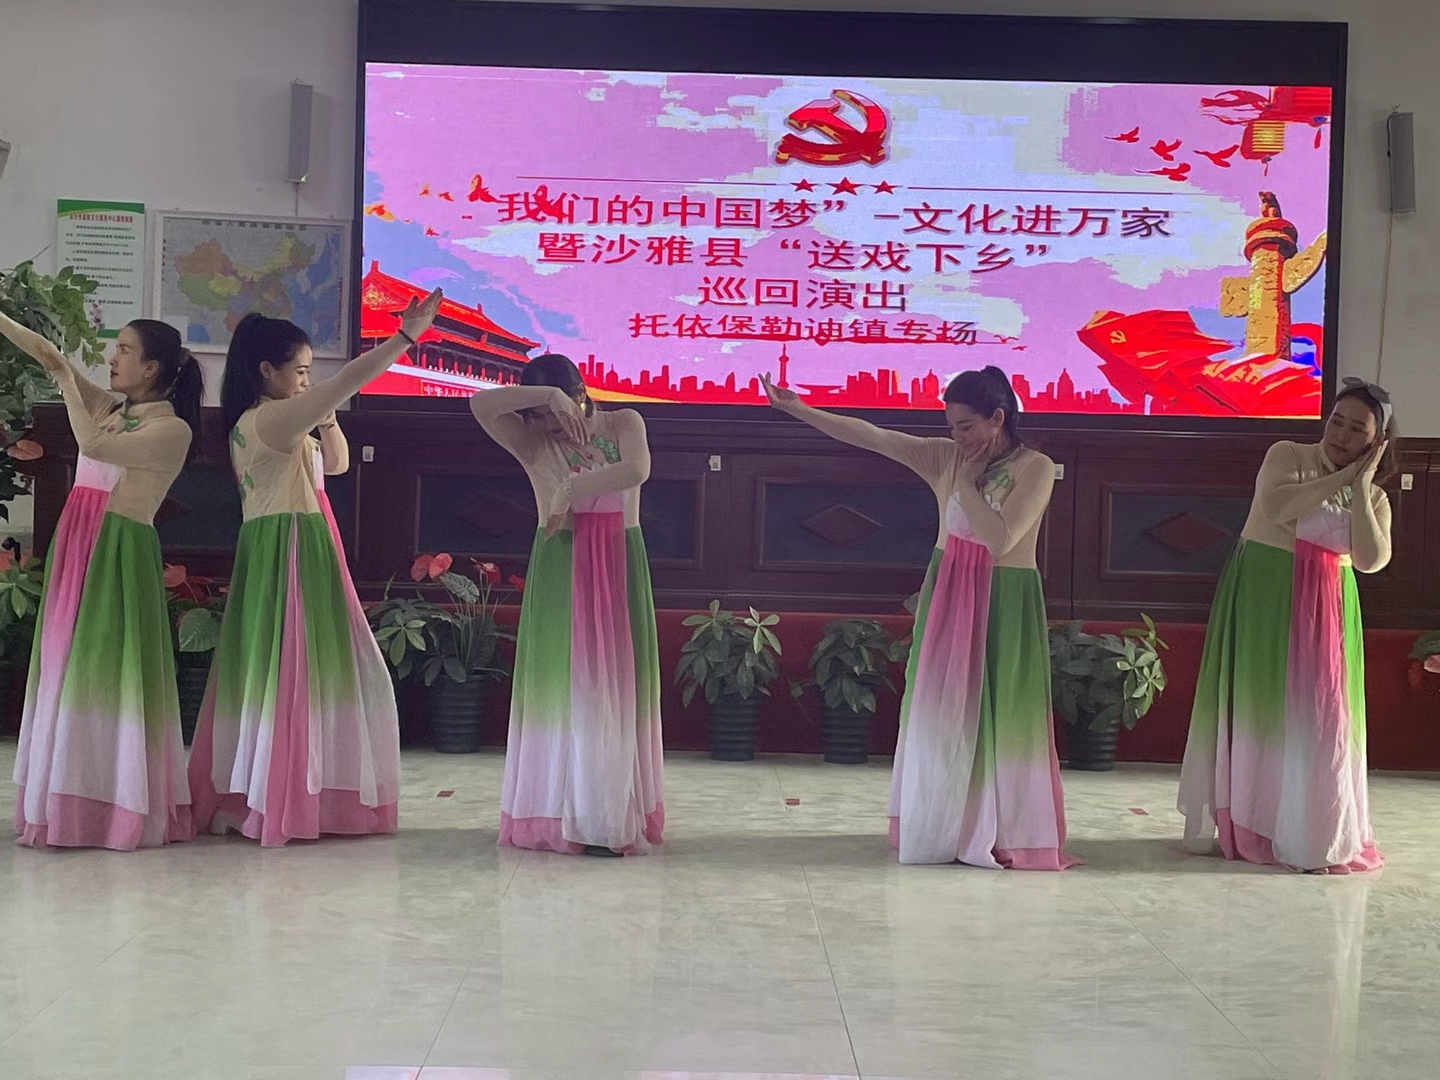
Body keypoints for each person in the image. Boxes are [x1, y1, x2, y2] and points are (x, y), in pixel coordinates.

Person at [765, 366, 1072, 869]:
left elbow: (1000, 540)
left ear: (998, 419)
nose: (958, 437)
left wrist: (967, 485)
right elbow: (873, 436)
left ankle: (1006, 831)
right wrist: (800, 409)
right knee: (942, 708)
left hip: (1004, 595)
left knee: (1004, 710)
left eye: (966, 426)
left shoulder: (1034, 467)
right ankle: (943, 823)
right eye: (951, 426)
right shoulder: (945, 457)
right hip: (949, 589)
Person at [187, 289, 441, 846]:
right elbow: (347, 381)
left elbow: (339, 464)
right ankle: (285, 798)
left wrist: (325, 420)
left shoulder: (271, 422)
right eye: (300, 371)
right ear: (267, 370)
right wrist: (405, 336)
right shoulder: (271, 419)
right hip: (291, 545)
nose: (307, 381)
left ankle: (284, 793)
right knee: (294, 673)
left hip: (287, 542)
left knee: (285, 671)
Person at [0, 313, 203, 849]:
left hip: (118, 548)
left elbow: (93, 447)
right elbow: (50, 356)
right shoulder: (115, 410)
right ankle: (66, 800)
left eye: (124, 350)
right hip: (79, 542)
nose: (112, 359)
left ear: (151, 367)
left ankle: (113, 807)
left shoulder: (171, 429)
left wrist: (67, 383)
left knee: (110, 672)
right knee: (67, 669)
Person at [1179, 378, 1394, 873]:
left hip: (1327, 612)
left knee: (1321, 718)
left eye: (1356, 429)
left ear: (1376, 441)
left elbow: (1371, 559)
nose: (1340, 434)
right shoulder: (1287, 455)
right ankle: (1255, 826)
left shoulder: (1376, 498)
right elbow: (1277, 507)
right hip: (1264, 594)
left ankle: (1313, 827)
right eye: (1336, 421)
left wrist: (1360, 488)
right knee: (1260, 707)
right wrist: (1342, 478)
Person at [471, 354, 664, 856]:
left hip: (618, 559)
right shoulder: (532, 439)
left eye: (556, 411)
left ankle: (608, 811)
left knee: (612, 687)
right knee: (563, 687)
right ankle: (560, 813)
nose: (550, 425)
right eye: (539, 416)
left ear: (583, 393)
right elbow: (480, 404)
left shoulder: (623, 422)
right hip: (561, 561)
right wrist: (547, 398)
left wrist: (570, 489)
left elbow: (637, 470)